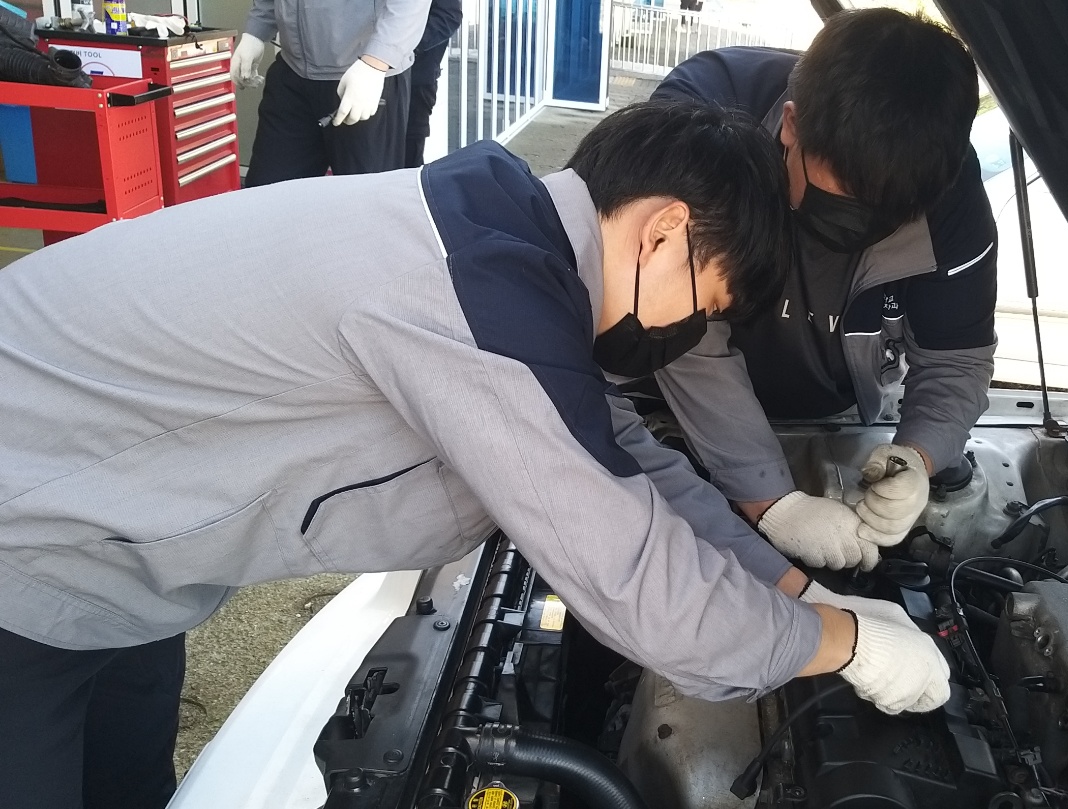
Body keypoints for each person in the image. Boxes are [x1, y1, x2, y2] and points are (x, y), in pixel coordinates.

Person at [0, 101, 951, 809]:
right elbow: (646, 593)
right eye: (703, 302)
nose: (686, 334)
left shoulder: (507, 243)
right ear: (664, 230)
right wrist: (846, 645)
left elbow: (634, 467)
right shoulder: (484, 304)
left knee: (126, 785)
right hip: (26, 543)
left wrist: (797, 590)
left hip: (121, 564)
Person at [648, 9, 999, 571]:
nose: (856, 230)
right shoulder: (701, 118)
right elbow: (674, 322)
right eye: (841, 201)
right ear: (791, 126)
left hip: (835, 413)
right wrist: (770, 501)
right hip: (668, 401)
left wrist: (918, 456)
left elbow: (955, 361)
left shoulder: (948, 192)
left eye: (886, 214)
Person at [231, 0, 427, 185]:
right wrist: (257, 30)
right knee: (269, 193)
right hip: (293, 71)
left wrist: (376, 62)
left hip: (361, 77)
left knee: (364, 199)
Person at [404, 0, 463, 168]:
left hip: (416, 79)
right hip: (362, 73)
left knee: (409, 154)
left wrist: (401, 47)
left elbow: (449, 16)